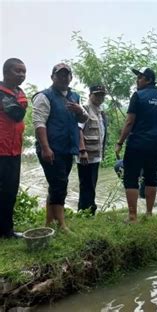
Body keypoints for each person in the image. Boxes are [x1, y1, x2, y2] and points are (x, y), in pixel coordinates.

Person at [33, 63, 89, 231]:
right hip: (51, 148)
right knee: (60, 185)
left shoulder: (75, 96)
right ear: (52, 77)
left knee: (55, 185)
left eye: (67, 75)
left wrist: (80, 110)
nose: (64, 78)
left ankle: (49, 223)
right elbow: (39, 123)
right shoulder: (44, 96)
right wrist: (45, 148)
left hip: (67, 149)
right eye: (60, 75)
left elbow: (83, 120)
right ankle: (62, 225)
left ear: (71, 77)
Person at [115, 67, 157, 223]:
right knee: (151, 177)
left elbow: (129, 122)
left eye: (140, 77)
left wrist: (120, 142)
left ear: (149, 80)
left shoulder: (138, 96)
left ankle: (132, 216)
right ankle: (149, 213)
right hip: (154, 146)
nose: (137, 80)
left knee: (131, 178)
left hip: (137, 144)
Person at [0, 58, 28, 238]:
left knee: (10, 190)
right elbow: (17, 113)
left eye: (24, 72)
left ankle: (6, 230)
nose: (22, 75)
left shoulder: (19, 92)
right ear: (6, 72)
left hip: (14, 150)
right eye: (18, 71)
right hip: (0, 149)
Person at [76, 85, 107, 215]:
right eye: (97, 94)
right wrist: (82, 151)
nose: (100, 97)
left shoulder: (101, 112)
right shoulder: (84, 109)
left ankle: (90, 210)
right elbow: (78, 130)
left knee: (91, 184)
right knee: (86, 185)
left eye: (102, 95)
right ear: (90, 95)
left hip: (95, 155)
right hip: (86, 155)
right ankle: (84, 212)